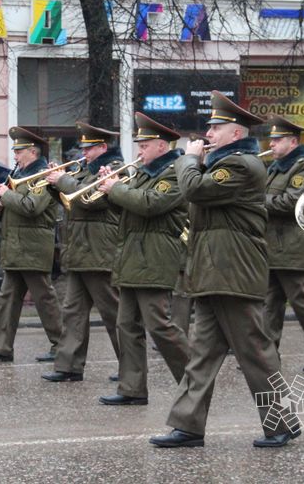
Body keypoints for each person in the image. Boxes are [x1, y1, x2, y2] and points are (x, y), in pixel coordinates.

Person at [150, 91, 298, 449]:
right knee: (202, 354)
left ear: (236, 133)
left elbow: (194, 190)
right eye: (210, 127)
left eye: (216, 127)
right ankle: (187, 425)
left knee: (255, 351)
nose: (208, 133)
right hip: (213, 268)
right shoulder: (224, 162)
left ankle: (281, 422)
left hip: (233, 269)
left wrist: (187, 159)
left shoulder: (241, 164)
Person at [95, 113, 189, 404]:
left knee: (159, 324)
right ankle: (132, 388)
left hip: (156, 255)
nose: (139, 151)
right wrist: (110, 190)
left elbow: (150, 205)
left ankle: (195, 381)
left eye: (144, 145)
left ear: (162, 146)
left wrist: (117, 188)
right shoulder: (144, 174)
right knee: (127, 326)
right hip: (134, 255)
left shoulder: (174, 172)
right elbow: (127, 209)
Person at [41, 122, 123, 383]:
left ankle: (131, 367)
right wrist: (54, 185)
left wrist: (62, 180)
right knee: (73, 312)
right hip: (79, 249)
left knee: (114, 314)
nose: (84, 153)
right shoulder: (87, 170)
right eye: (84, 149)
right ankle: (68, 366)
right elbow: (72, 204)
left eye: (89, 149)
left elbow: (92, 201)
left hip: (100, 251)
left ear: (102, 147)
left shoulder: (114, 169)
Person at [0, 127, 63, 363]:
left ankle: (62, 345)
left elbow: (31, 207)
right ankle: (2, 347)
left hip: (34, 247)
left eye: (18, 151)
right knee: (7, 299)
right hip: (15, 247)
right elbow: (16, 207)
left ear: (32, 152)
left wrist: (6, 196)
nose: (14, 156)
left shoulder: (44, 176)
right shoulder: (19, 177)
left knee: (45, 299)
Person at [263, 116, 304, 374]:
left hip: (292, 245)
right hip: (273, 245)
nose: (272, 143)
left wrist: (257, 199)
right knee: (271, 303)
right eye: (272, 139)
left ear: (292, 141)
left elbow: (291, 202)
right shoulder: (276, 167)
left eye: (277, 140)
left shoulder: (303, 167)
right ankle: (267, 357)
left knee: (303, 303)